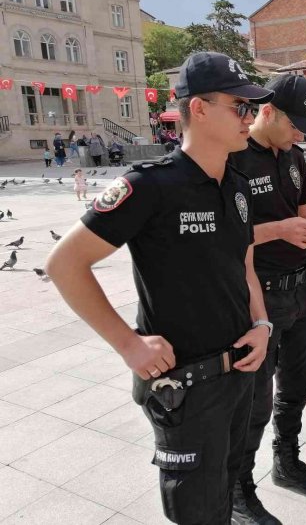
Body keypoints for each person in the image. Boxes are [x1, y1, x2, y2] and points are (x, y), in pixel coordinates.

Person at [45, 51, 275, 524]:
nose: (249, 119)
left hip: (239, 372)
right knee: (196, 511)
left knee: (225, 490)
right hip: (185, 387)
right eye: (241, 107)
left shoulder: (235, 183)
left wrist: (261, 322)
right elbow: (64, 263)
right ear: (199, 109)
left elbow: (244, 261)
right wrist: (128, 345)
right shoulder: (151, 187)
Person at [229, 74, 306, 525]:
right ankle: (239, 490)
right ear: (267, 111)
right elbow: (224, 238)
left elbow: (301, 215)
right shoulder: (234, 158)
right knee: (255, 401)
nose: (301, 134)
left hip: (301, 289)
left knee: (297, 386)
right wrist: (278, 231)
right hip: (260, 298)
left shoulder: (294, 157)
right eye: (295, 124)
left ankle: (287, 461)